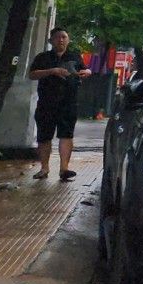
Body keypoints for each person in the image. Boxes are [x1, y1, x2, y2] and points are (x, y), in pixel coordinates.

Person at [28, 27, 92, 182]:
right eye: (57, 37)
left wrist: (87, 72)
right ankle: (44, 168)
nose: (61, 40)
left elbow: (85, 70)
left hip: (69, 103)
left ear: (68, 40)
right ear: (51, 40)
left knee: (66, 135)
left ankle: (64, 168)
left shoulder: (74, 56)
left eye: (64, 37)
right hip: (46, 103)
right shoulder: (43, 57)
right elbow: (32, 74)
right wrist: (52, 71)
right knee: (44, 136)